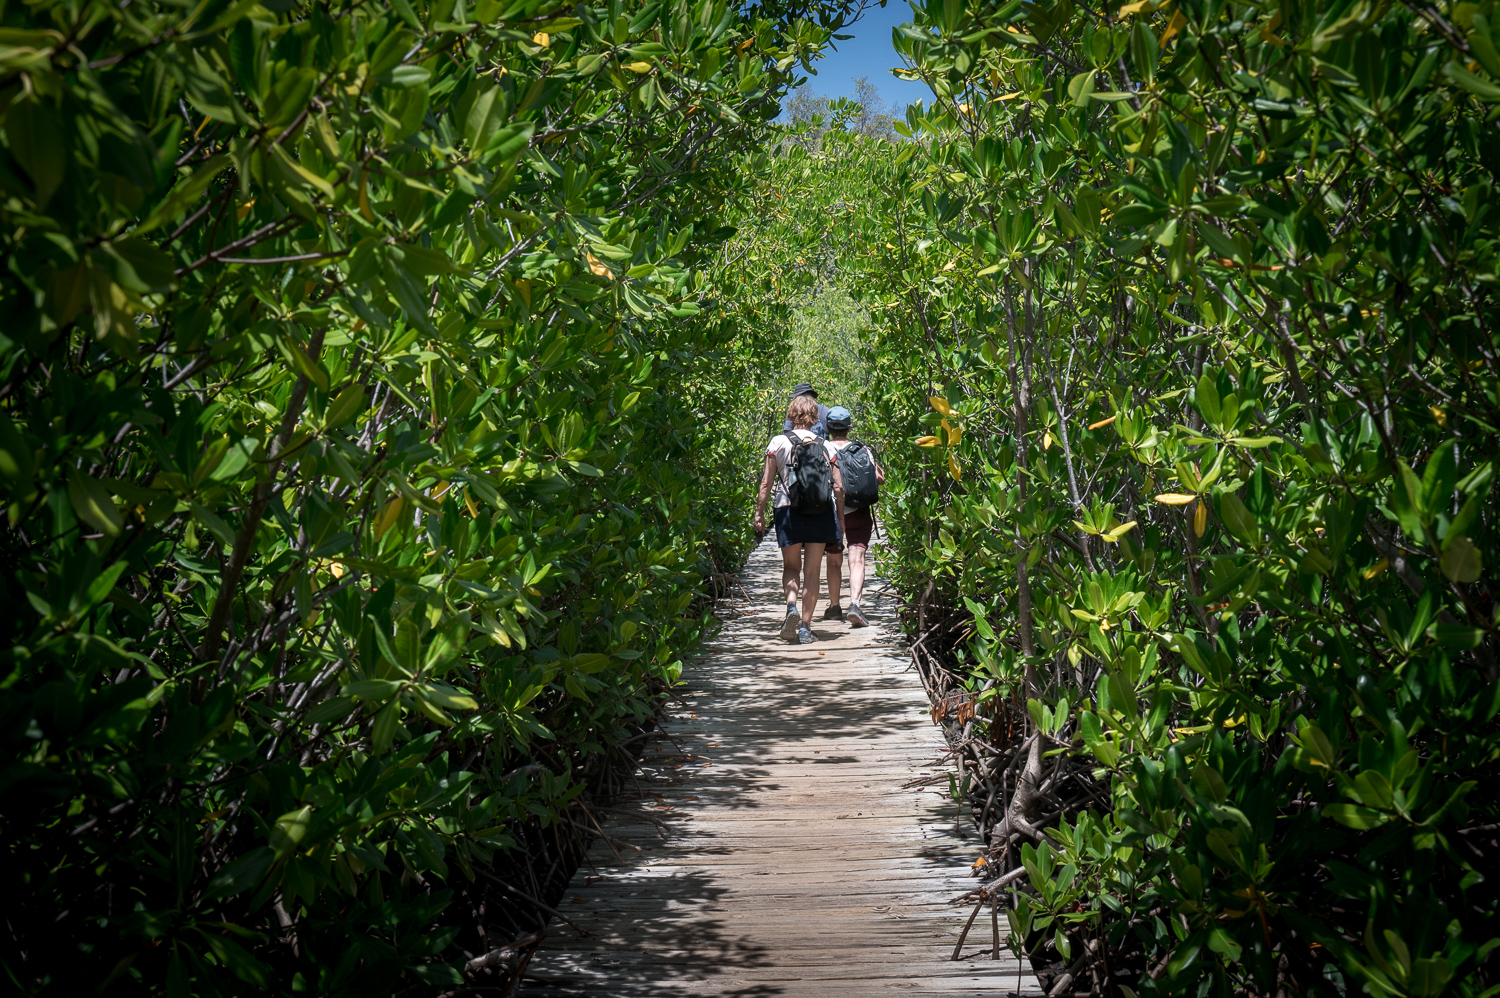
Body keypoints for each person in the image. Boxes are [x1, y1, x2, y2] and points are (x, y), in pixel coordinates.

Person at [755, 393, 846, 645]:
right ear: (816, 417)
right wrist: (840, 518)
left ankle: (791, 607)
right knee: (813, 571)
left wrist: (759, 512)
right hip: (820, 511)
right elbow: (838, 488)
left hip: (787, 510)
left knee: (791, 567)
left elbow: (766, 482)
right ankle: (806, 627)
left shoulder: (778, 442)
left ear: (791, 414)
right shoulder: (825, 446)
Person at [823, 405, 884, 627]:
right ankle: (855, 604)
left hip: (831, 513)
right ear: (849, 428)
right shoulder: (863, 449)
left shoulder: (823, 448)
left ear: (828, 427)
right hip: (858, 511)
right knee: (857, 558)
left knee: (833, 561)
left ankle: (834, 606)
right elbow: (879, 478)